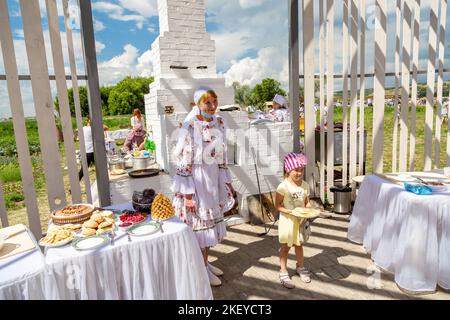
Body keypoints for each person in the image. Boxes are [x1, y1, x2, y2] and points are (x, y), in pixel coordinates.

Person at [172, 86, 235, 287]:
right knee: (200, 227)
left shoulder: (219, 122)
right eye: (207, 102)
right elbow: (185, 159)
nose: (212, 106)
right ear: (197, 104)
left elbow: (222, 154)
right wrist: (188, 194)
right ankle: (200, 271)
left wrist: (227, 181)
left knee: (209, 225)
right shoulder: (190, 125)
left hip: (213, 177)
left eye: (214, 101)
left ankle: (205, 264)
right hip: (197, 179)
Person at [275, 152, 312, 289]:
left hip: (300, 222)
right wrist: (290, 212)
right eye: (296, 170)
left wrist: (309, 208)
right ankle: (283, 270)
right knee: (285, 247)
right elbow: (278, 205)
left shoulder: (305, 186)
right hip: (288, 222)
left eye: (301, 170)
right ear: (288, 170)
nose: (299, 173)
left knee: (299, 245)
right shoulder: (283, 187)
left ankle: (300, 267)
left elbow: (307, 202)